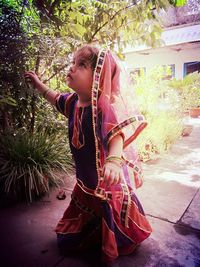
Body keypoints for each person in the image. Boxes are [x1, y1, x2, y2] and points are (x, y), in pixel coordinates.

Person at [24, 45, 152, 262]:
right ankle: (93, 231)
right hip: (85, 184)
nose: (72, 68)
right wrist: (38, 84)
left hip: (105, 182)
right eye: (74, 62)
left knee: (115, 225)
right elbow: (53, 97)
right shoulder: (72, 103)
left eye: (81, 65)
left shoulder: (102, 109)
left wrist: (113, 160)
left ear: (98, 77)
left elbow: (117, 136)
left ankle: (115, 235)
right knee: (69, 239)